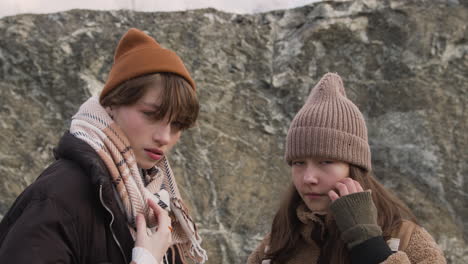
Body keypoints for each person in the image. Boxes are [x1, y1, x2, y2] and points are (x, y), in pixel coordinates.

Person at [0, 28, 208, 264]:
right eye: (151, 114)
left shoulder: (155, 199)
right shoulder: (57, 196)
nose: (165, 136)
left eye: (178, 124)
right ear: (112, 104)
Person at [247, 73, 446, 264]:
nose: (308, 178)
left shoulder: (406, 239)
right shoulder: (275, 246)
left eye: (326, 161)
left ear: (354, 168)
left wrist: (367, 242)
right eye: (299, 163)